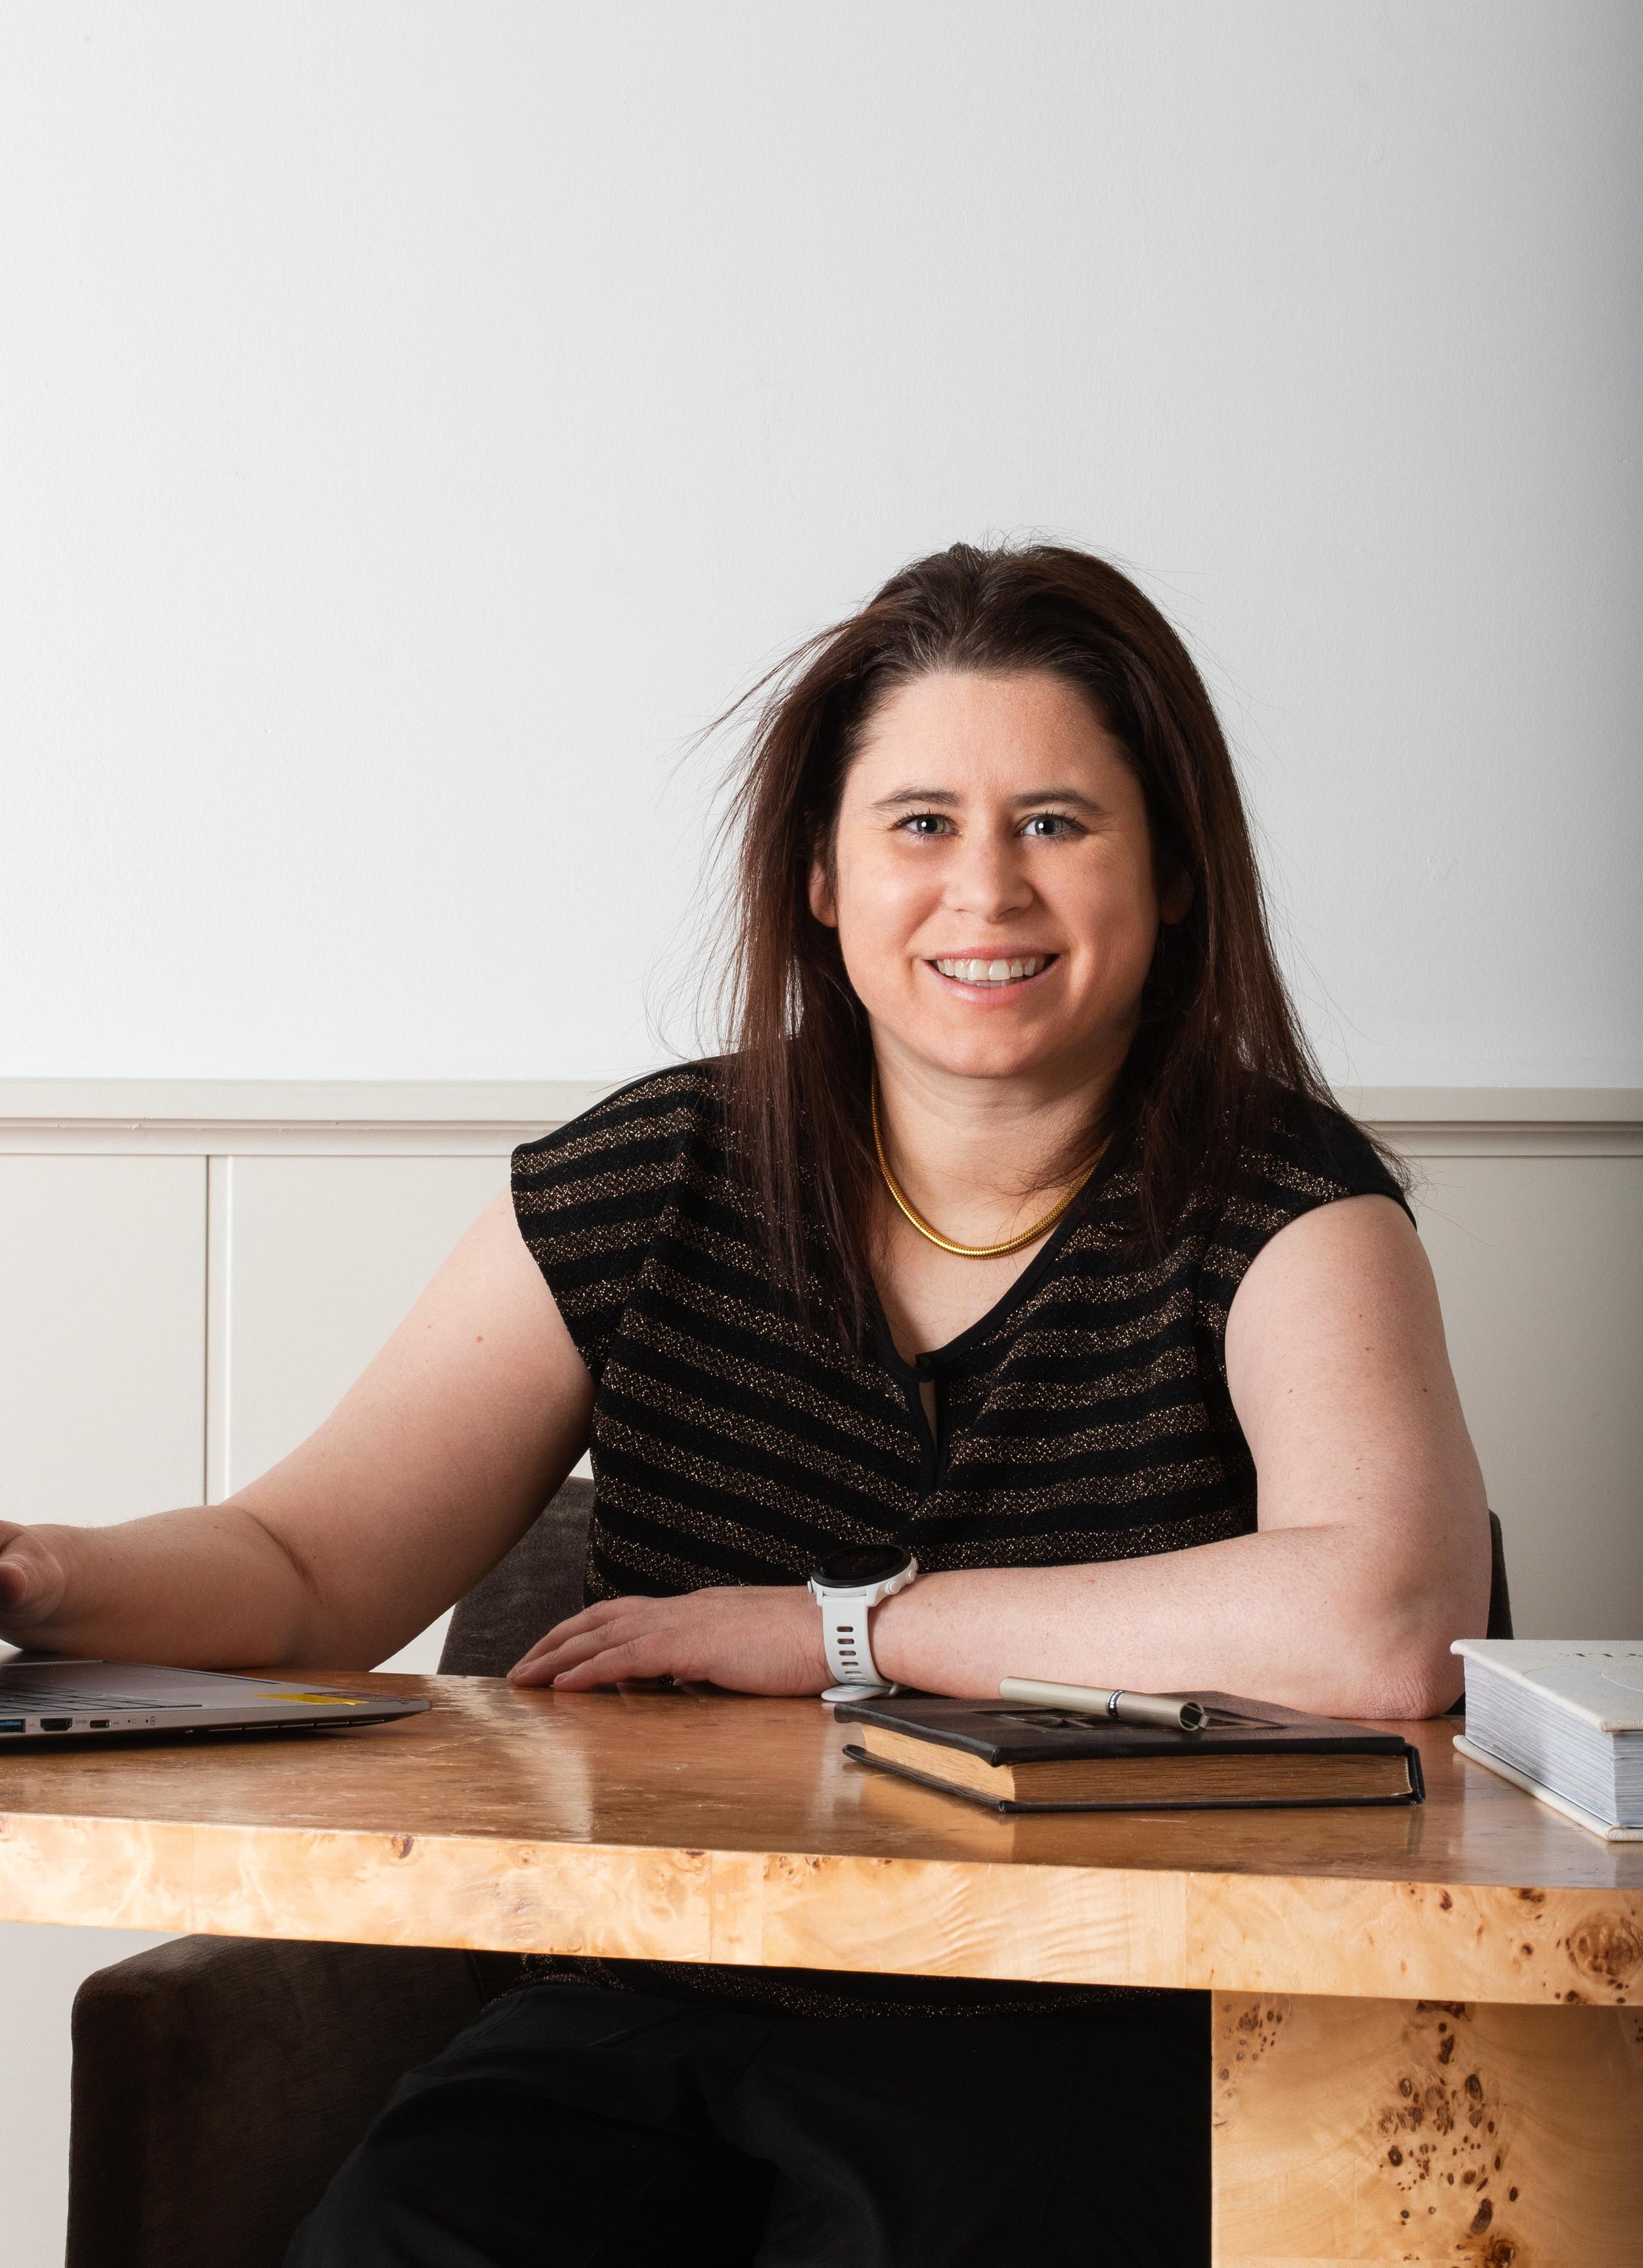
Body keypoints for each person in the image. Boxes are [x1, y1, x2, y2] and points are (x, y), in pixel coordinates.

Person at [0, 544, 1490, 2267]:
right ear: (819, 876)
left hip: (1083, 2025)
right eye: (919, 823)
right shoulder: (653, 1170)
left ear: (1168, 879)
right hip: (634, 2022)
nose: (983, 890)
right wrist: (48, 1574)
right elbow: (309, 1561)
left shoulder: (1284, 1202)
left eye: (1057, 824)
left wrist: (844, 1631)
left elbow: (1384, 1621)